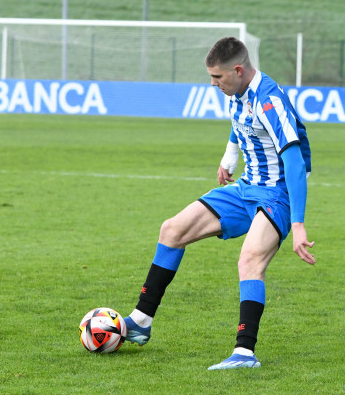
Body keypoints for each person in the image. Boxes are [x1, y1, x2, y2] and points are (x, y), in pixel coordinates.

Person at [122, 37, 315, 370]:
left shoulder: (270, 101)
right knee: (172, 229)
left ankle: (245, 353)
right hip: (246, 188)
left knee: (250, 260)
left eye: (217, 78)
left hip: (277, 194)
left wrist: (297, 224)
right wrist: (228, 159)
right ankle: (141, 321)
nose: (213, 84)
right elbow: (238, 126)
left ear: (237, 70)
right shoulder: (237, 93)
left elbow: (296, 162)